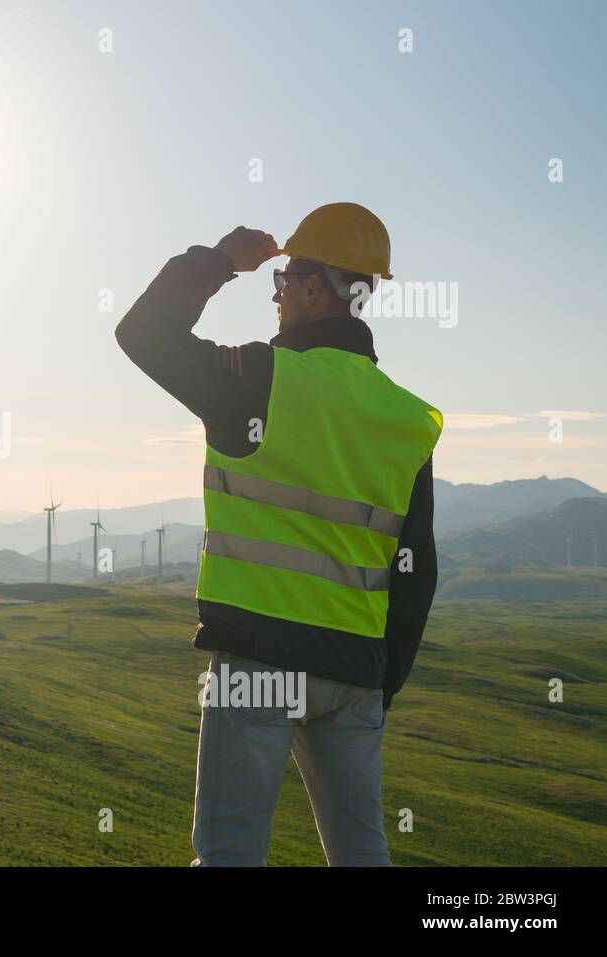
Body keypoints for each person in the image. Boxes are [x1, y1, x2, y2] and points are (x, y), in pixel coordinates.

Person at [114, 203, 442, 866]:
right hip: (353, 671)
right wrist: (379, 682)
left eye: (282, 280)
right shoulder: (407, 418)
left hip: (256, 665)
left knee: (231, 851)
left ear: (314, 287)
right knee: (361, 850)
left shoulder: (259, 377)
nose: (276, 295)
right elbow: (417, 568)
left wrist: (221, 260)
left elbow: (143, 332)